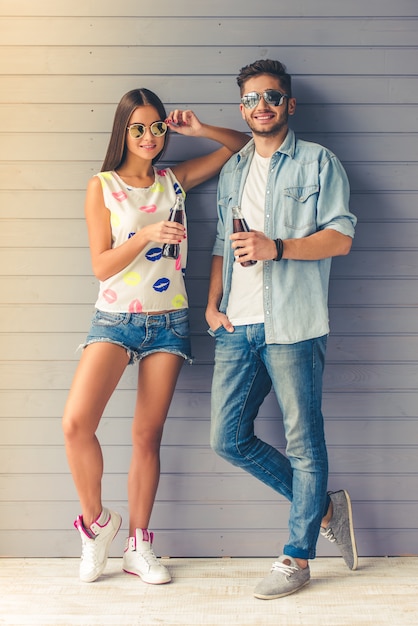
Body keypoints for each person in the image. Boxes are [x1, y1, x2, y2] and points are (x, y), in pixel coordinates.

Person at [62, 87, 249, 585]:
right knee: (76, 424)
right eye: (138, 127)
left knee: (147, 436)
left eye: (157, 127)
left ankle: (139, 545)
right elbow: (101, 266)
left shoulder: (175, 180)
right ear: (123, 131)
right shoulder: (101, 185)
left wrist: (201, 129)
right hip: (114, 319)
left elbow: (243, 144)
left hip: (167, 319)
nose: (149, 136)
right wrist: (144, 235)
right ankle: (96, 524)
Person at [205, 60, 358, 600]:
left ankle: (296, 558)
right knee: (227, 439)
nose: (261, 105)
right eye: (251, 98)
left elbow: (341, 237)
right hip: (236, 325)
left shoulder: (319, 162)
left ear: (288, 105)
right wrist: (210, 305)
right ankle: (322, 507)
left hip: (293, 324)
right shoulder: (233, 169)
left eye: (271, 96)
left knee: (304, 446)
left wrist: (280, 248)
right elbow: (224, 243)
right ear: (241, 108)